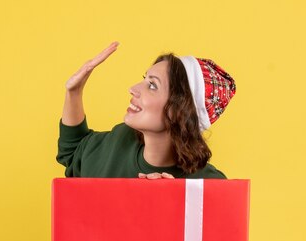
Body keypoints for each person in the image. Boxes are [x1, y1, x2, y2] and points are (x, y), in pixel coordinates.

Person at [57, 41, 236, 179]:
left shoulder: (208, 187)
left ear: (178, 111)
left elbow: (224, 225)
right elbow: (73, 153)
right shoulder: (120, 140)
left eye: (152, 85)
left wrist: (175, 201)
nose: (133, 88)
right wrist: (74, 92)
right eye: (144, 79)